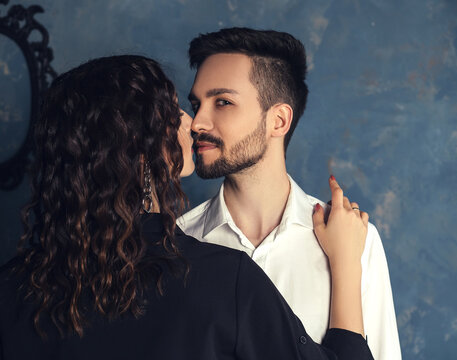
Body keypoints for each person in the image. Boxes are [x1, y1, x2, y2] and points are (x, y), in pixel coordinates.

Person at [0, 55, 374, 360]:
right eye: (172, 110)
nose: (192, 122)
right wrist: (345, 265)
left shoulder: (12, 286)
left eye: (220, 102)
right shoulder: (224, 281)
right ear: (141, 150)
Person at [178, 27, 401, 360]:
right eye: (197, 104)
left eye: (222, 102)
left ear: (278, 120)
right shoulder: (177, 242)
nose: (197, 123)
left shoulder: (357, 242)